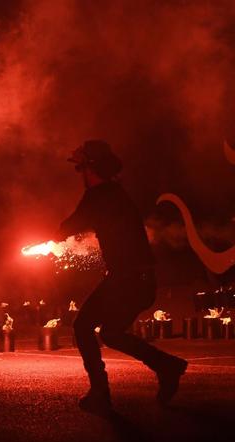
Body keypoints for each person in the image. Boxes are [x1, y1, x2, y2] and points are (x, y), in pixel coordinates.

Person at [57, 139, 188, 415]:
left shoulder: (101, 194)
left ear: (91, 167)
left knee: (83, 326)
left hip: (128, 279)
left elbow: (71, 225)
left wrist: (49, 236)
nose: (80, 175)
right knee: (111, 333)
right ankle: (167, 366)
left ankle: (100, 393)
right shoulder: (113, 193)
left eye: (81, 168)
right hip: (137, 279)